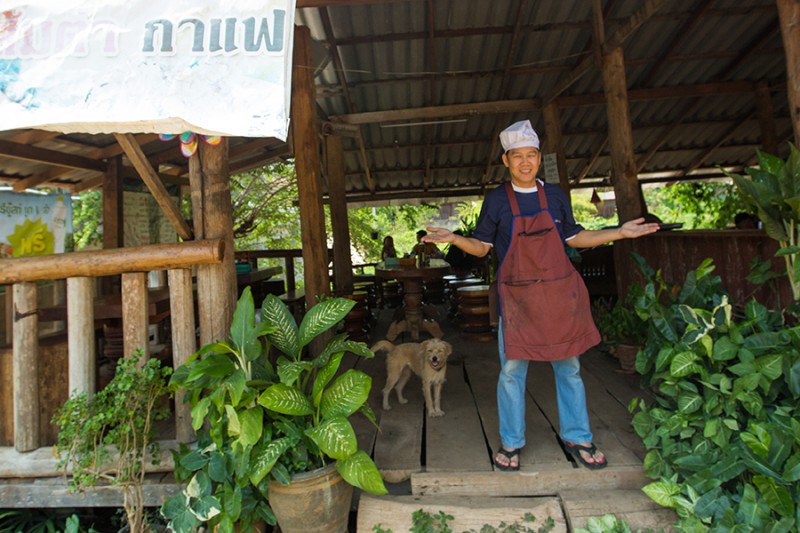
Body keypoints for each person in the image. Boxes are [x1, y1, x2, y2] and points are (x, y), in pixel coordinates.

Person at [423, 120, 659, 471]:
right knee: (511, 373)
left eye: (531, 155)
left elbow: (574, 237)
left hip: (558, 297)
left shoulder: (555, 196)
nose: (525, 162)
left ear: (537, 157)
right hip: (517, 302)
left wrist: (619, 233)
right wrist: (455, 239)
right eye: (517, 156)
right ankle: (512, 442)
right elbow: (482, 247)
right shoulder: (498, 200)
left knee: (570, 369)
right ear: (506, 161)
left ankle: (578, 435)